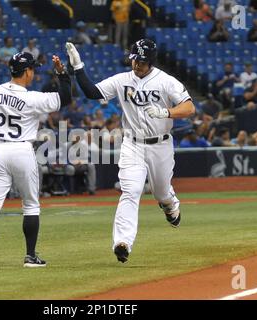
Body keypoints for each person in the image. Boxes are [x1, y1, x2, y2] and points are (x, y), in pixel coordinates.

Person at [65, 39, 196, 263]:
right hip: (132, 144)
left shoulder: (165, 81)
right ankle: (122, 242)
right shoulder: (122, 79)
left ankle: (170, 204)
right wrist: (78, 67)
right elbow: (92, 92)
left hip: (161, 145)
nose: (137, 64)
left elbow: (189, 107)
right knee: (131, 191)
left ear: (151, 62)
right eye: (135, 59)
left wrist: (166, 112)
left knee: (161, 192)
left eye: (142, 61)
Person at [0, 52, 72, 270]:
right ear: (27, 71)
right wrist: (62, 72)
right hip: (22, 149)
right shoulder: (32, 98)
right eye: (33, 70)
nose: (34, 74)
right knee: (30, 205)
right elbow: (66, 98)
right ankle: (30, 256)